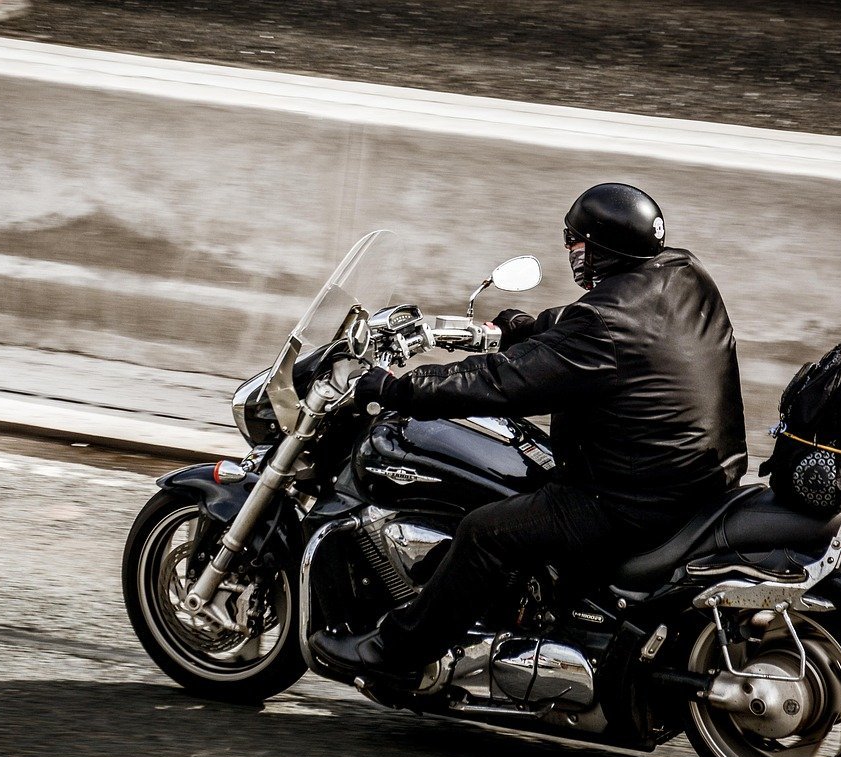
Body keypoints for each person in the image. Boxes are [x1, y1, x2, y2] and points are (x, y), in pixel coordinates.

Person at [310, 182, 748, 685]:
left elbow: (502, 382)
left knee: (483, 532)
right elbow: (604, 327)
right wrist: (524, 327)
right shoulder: (683, 273)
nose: (570, 253)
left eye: (575, 241)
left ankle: (394, 650)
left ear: (601, 247)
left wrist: (399, 388)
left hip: (629, 499)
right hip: (701, 482)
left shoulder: (603, 324)